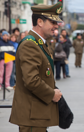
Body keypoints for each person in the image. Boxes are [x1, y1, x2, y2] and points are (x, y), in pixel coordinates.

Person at [9, 2, 63, 132]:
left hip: (37, 114)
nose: (56, 26)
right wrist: (52, 94)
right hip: (32, 115)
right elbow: (31, 80)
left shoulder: (39, 43)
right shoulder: (30, 45)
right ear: (40, 22)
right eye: (52, 22)